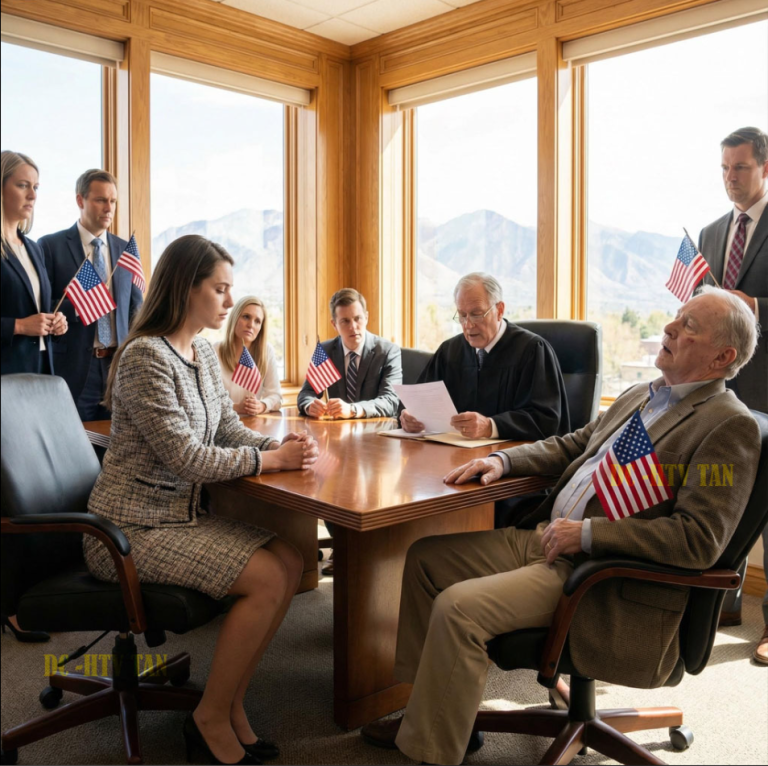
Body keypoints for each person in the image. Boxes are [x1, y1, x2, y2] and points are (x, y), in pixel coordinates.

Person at [361, 287, 761, 766]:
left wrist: (589, 534)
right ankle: (435, 711)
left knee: (458, 608)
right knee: (426, 560)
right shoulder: (641, 394)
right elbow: (574, 445)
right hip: (547, 538)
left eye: (689, 325)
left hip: (599, 574)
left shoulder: (726, 425)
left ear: (723, 356)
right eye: (677, 317)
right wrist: (503, 459)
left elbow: (697, 539)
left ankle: (430, 749)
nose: (670, 328)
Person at [84, 234, 319, 765]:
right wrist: (268, 462)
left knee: (290, 561)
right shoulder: (145, 357)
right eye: (220, 289)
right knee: (267, 576)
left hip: (178, 520)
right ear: (186, 289)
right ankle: (210, 717)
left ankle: (229, 705)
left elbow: (228, 430)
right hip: (127, 531)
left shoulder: (205, 356)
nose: (230, 302)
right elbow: (186, 456)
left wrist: (276, 446)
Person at [698, 127, 767, 655]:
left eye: (739, 168)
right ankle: (725, 601)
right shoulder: (711, 231)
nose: (730, 178)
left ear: (764, 168)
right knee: (726, 494)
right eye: (724, 169)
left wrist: (754, 306)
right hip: (723, 386)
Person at [1, 150, 68, 645]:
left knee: (34, 497)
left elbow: (39, 308)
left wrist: (53, 323)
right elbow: (18, 319)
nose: (32, 195)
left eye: (36, 187)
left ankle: (29, 597)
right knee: (9, 498)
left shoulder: (31, 247)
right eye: (23, 185)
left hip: (37, 381)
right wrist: (18, 326)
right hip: (3, 382)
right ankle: (11, 607)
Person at [400, 272, 570, 442]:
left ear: (499, 310)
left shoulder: (532, 350)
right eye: (462, 315)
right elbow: (420, 401)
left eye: (476, 314)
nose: (468, 324)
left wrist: (490, 426)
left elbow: (546, 421)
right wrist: (411, 418)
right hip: (453, 456)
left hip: (512, 459)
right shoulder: (450, 351)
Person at [39, 169, 143, 421]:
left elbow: (136, 310)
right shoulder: (49, 246)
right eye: (100, 200)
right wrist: (81, 307)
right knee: (72, 447)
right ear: (80, 200)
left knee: (116, 448)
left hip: (117, 370)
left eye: (113, 201)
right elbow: (42, 307)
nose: (109, 208)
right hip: (72, 370)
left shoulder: (124, 250)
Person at [297, 288, 402, 420]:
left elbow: (390, 401)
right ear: (334, 324)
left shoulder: (388, 351)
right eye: (345, 321)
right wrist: (310, 405)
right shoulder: (325, 350)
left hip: (376, 430)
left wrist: (353, 410)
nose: (353, 326)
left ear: (367, 317)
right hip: (338, 430)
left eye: (358, 319)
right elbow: (306, 393)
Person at [215, 295, 282, 415]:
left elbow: (276, 397)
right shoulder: (214, 350)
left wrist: (261, 405)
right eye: (246, 317)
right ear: (235, 318)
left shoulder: (266, 351)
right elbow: (207, 399)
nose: (251, 325)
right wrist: (235, 407)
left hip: (253, 424)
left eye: (257, 321)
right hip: (222, 425)